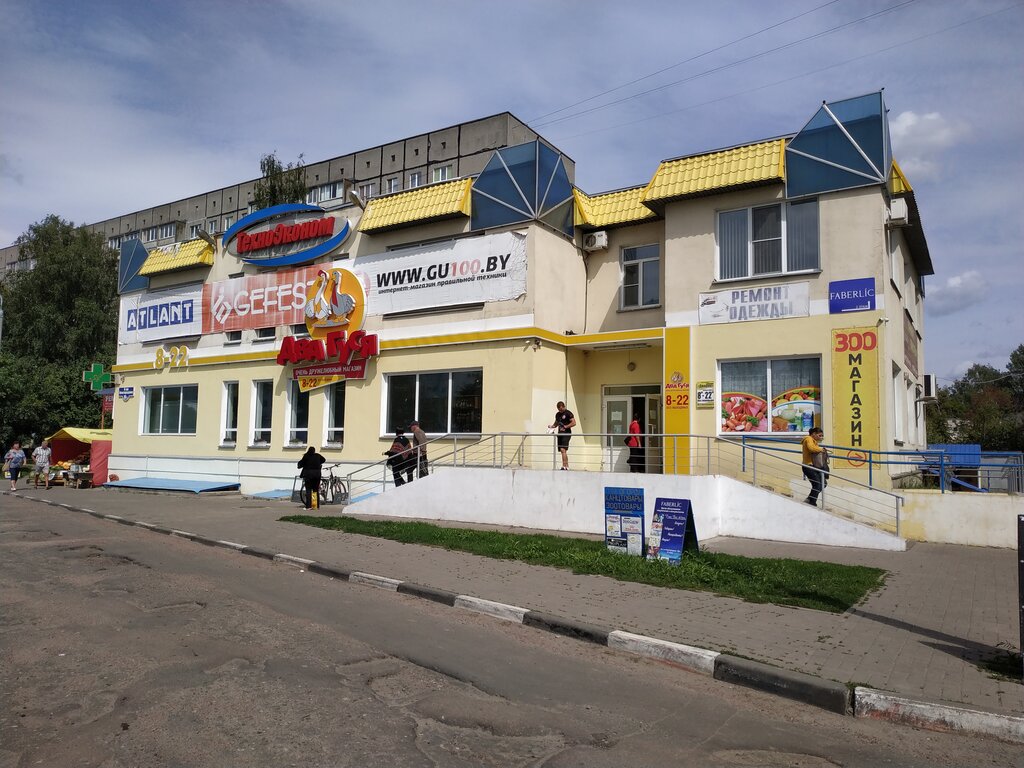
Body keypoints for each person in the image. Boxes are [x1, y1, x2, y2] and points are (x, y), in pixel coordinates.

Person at [801, 426, 829, 506]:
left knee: (823, 483)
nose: (821, 437)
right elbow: (811, 448)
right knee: (817, 484)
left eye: (822, 436)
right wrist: (821, 450)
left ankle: (809, 499)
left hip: (814, 466)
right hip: (808, 466)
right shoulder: (808, 439)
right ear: (813, 434)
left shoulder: (814, 441)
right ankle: (812, 502)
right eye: (819, 435)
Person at [549, 401, 576, 471]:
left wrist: (566, 426)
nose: (560, 411)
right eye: (559, 409)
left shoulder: (568, 413)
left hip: (566, 433)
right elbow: (556, 423)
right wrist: (551, 426)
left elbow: (574, 423)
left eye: (561, 409)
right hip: (560, 434)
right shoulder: (557, 414)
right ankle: (567, 466)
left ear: (564, 407)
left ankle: (564, 466)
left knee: (563, 449)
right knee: (563, 451)